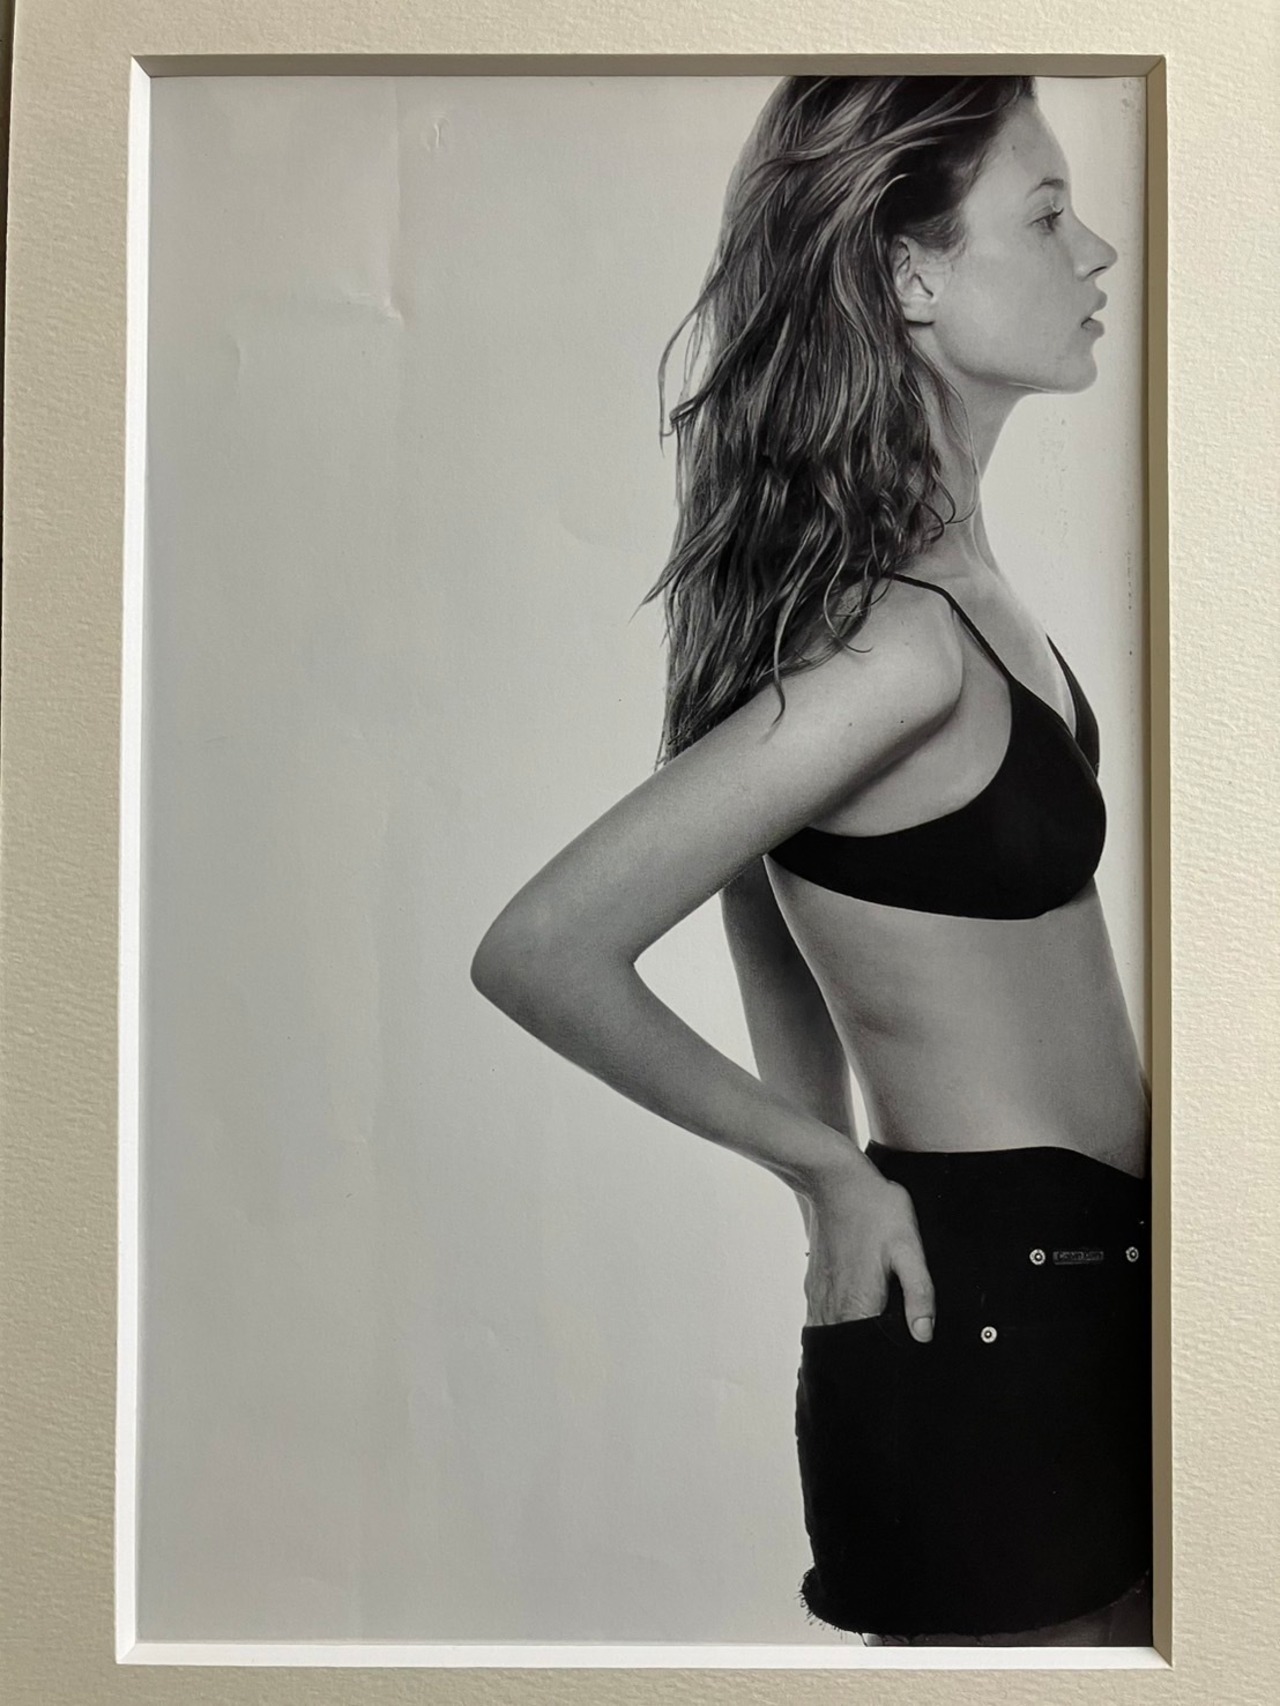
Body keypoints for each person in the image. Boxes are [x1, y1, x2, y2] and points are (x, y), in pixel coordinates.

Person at [469, 74, 1152, 1646]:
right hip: (993, 1323)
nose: (1097, 252)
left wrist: (826, 1150)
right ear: (912, 278)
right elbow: (542, 947)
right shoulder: (897, 643)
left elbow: (760, 892)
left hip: (1062, 1289)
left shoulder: (944, 581)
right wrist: (822, 1168)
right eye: (1049, 216)